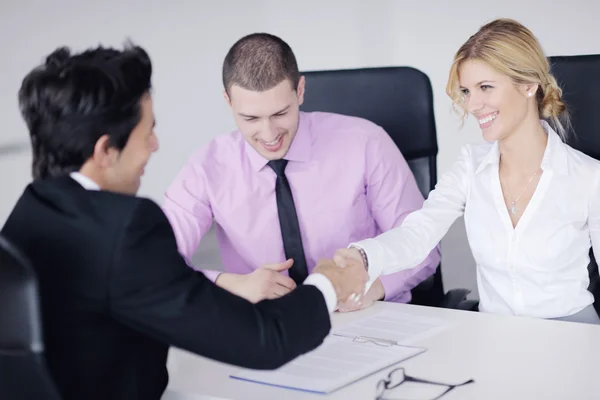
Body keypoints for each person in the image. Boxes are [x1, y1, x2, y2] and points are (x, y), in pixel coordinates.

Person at [0, 43, 368, 400]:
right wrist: (327, 284)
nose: (155, 145)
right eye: (148, 132)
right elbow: (266, 341)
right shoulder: (126, 228)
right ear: (105, 151)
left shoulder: (28, 212)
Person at [335, 18, 600, 324]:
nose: (473, 105)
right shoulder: (470, 166)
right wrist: (363, 257)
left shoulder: (588, 178)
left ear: (529, 84)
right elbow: (418, 233)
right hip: (494, 336)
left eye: (485, 87)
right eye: (466, 91)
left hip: (572, 337)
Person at [163, 33, 440, 311]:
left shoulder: (367, 143)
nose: (269, 134)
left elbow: (423, 247)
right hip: (265, 325)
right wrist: (232, 285)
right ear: (228, 102)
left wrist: (368, 289)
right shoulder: (206, 168)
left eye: (280, 113)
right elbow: (153, 262)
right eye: (251, 119)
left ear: (300, 91)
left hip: (368, 316)